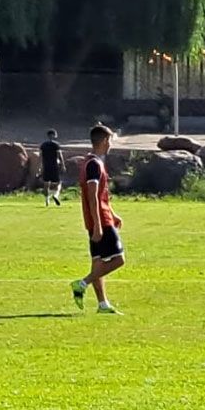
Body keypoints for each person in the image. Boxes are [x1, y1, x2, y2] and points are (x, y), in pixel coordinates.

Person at [70, 124, 125, 315]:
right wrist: (99, 225)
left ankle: (102, 304)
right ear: (103, 141)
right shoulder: (94, 164)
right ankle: (82, 283)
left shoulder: (91, 161)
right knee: (119, 260)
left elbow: (101, 195)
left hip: (100, 217)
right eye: (109, 140)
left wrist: (113, 212)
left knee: (99, 262)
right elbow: (92, 196)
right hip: (100, 220)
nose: (111, 145)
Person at [39, 129, 65, 207]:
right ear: (53, 135)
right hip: (54, 165)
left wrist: (40, 167)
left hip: (46, 166)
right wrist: (63, 165)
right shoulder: (56, 145)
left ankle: (47, 200)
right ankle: (55, 195)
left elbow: (40, 156)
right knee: (59, 183)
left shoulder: (43, 145)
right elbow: (60, 155)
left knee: (46, 184)